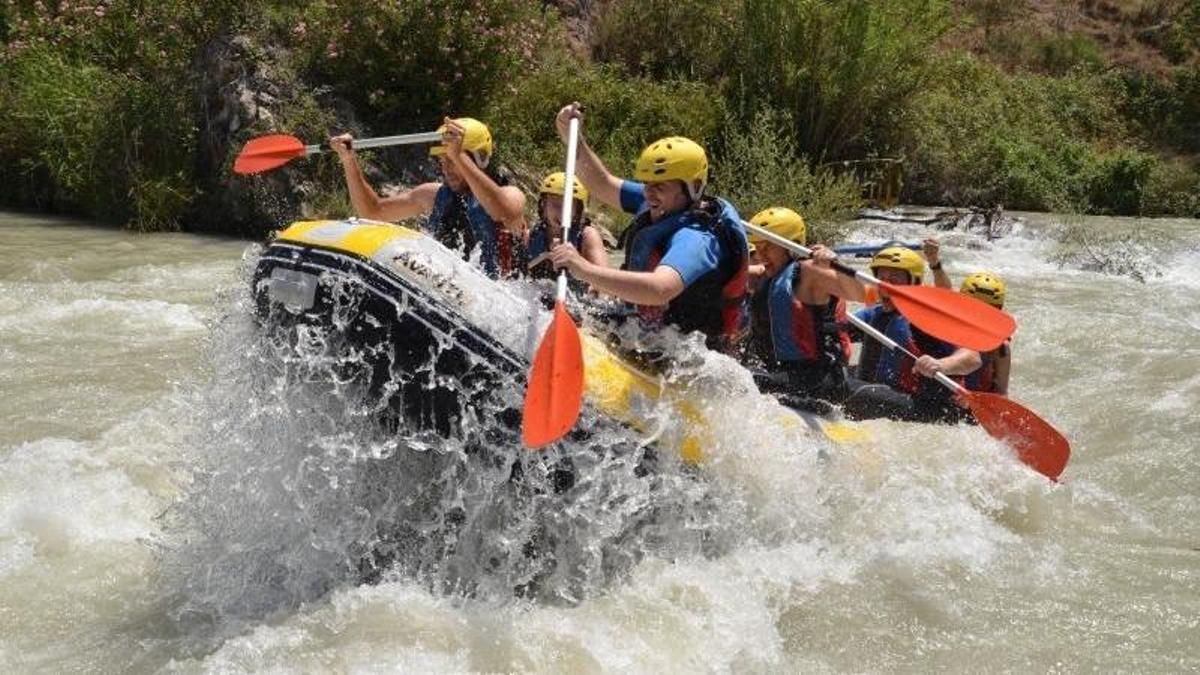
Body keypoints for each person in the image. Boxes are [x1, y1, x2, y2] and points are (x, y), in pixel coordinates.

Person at [546, 103, 749, 354]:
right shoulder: (657, 201)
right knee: (550, 303)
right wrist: (572, 137)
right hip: (648, 331)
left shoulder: (697, 238)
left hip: (685, 355)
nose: (649, 193)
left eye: (660, 186)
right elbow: (602, 183)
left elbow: (659, 289)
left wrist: (584, 268)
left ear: (693, 187)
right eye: (647, 184)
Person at [330, 117, 526, 279]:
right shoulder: (433, 195)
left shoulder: (511, 194)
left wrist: (458, 156)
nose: (446, 168)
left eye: (452, 160)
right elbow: (373, 211)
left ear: (479, 159)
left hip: (500, 302)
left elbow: (503, 212)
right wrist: (349, 160)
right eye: (443, 160)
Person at [742, 207, 867, 407]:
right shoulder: (765, 275)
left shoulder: (809, 273)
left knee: (739, 380)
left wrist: (836, 263)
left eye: (769, 247)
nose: (761, 254)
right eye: (758, 247)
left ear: (790, 246)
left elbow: (859, 294)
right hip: (779, 374)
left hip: (814, 379)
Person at [844, 246, 983, 424]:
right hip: (877, 392)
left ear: (914, 284)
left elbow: (973, 357)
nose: (886, 286)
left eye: (894, 280)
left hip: (922, 404)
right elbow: (838, 329)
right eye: (882, 279)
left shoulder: (928, 319)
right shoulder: (874, 314)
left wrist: (940, 364)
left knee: (858, 392)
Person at [923, 238, 1012, 395]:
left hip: (969, 404)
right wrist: (934, 262)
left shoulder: (1001, 347)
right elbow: (945, 293)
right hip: (939, 391)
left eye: (987, 311)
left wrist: (940, 365)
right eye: (974, 308)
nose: (979, 316)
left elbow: (1001, 390)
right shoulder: (952, 320)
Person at [524, 171, 608, 285]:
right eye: (556, 205)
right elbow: (518, 278)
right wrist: (544, 259)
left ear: (577, 211)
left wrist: (576, 263)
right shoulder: (531, 236)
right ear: (543, 205)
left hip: (578, 300)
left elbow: (606, 286)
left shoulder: (587, 236)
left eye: (567, 206)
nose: (562, 212)